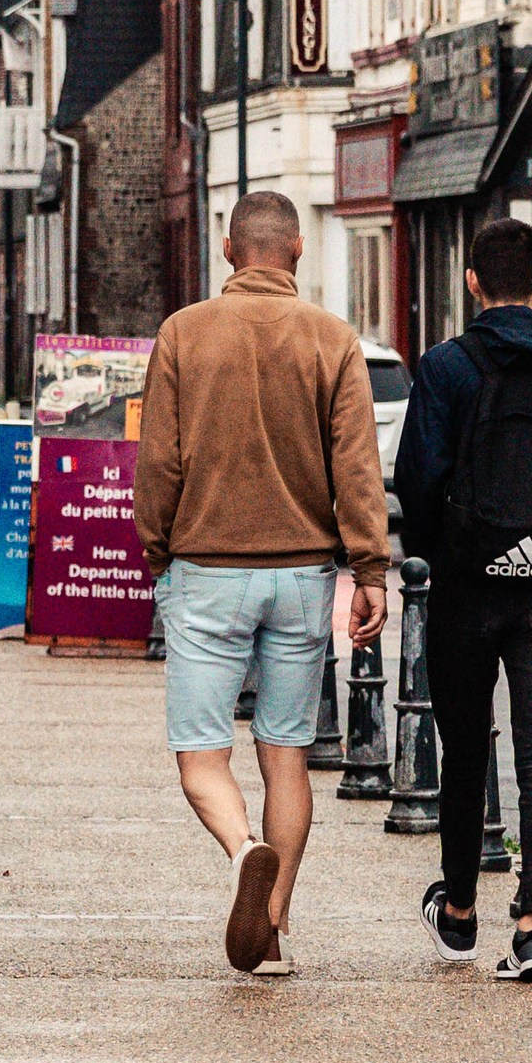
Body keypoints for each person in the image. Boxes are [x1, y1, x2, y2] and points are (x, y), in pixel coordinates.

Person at [133, 186, 390, 974]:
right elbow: (356, 464)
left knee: (201, 757)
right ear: (298, 251)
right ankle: (272, 930)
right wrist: (368, 568)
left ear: (226, 250)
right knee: (286, 753)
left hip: (207, 571)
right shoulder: (331, 337)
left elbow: (161, 460)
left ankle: (244, 847)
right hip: (303, 576)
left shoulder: (184, 333)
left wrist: (158, 549)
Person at [392, 214, 532, 983]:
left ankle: (460, 914)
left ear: (471, 281)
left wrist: (437, 553)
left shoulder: (444, 367)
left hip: (467, 584)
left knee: (465, 746)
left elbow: (416, 478)